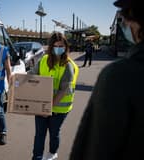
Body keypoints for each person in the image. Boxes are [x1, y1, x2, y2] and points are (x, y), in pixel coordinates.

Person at [69, 0, 144, 159]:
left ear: (136, 21)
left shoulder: (120, 76)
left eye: (124, 16)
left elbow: (96, 147)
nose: (122, 22)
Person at [29, 32, 79, 160]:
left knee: (54, 133)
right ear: (51, 47)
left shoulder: (68, 65)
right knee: (39, 134)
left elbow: (63, 90)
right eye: (55, 46)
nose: (58, 48)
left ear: (65, 47)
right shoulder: (44, 60)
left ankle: (52, 153)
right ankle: (37, 157)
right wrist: (17, 79)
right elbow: (32, 74)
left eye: (61, 46)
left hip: (59, 109)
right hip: (42, 106)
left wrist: (49, 108)